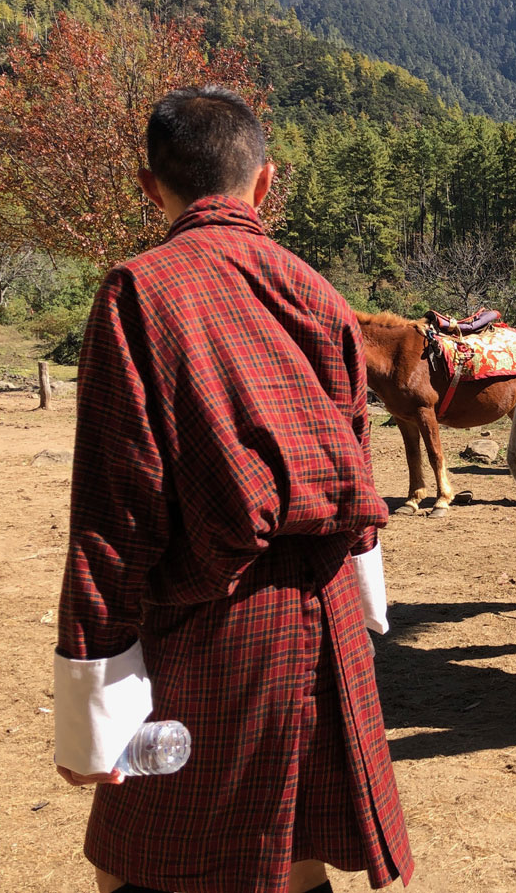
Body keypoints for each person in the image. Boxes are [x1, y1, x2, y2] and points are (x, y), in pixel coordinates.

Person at [52, 86, 413, 893]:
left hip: (211, 627)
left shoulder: (140, 291)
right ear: (264, 183)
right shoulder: (319, 294)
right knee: (295, 857)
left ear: (153, 188)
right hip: (326, 618)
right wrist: (363, 601)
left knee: (144, 866)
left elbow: (116, 516)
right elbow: (356, 463)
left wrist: (92, 710)